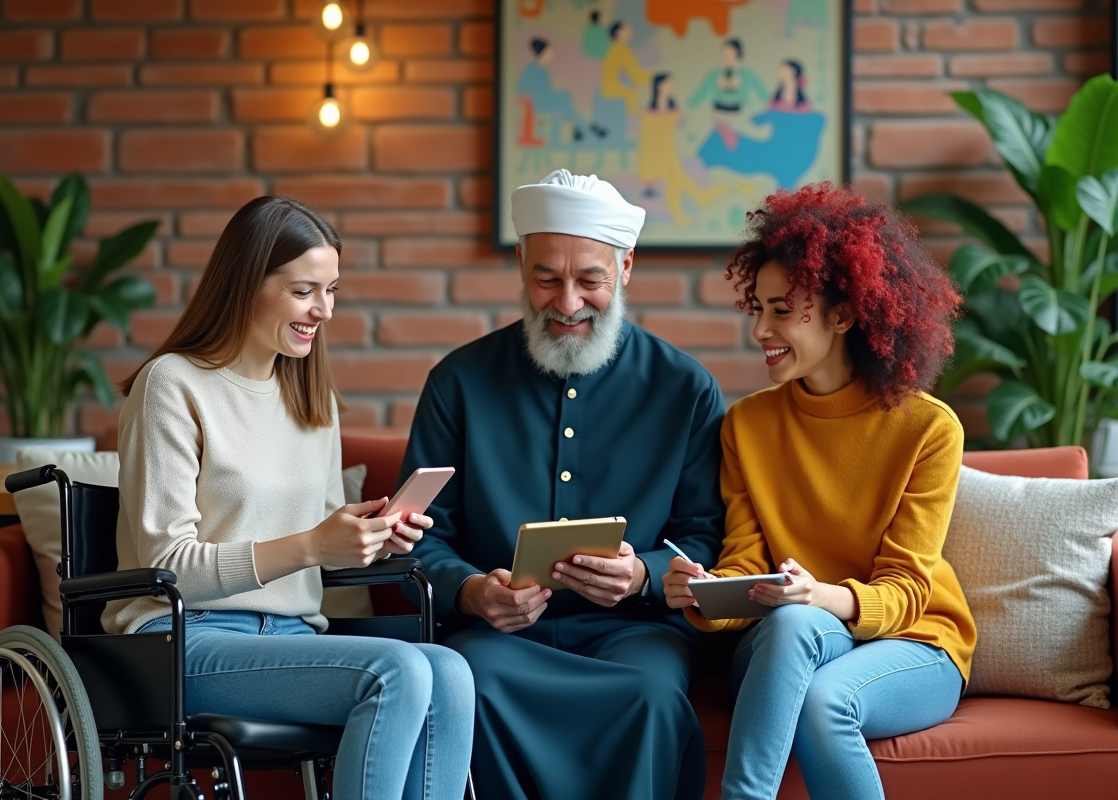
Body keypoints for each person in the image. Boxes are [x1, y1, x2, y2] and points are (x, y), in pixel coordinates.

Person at [106, 196, 475, 800]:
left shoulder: (312, 399)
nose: (324, 311)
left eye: (332, 291)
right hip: (182, 638)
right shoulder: (171, 385)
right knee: (400, 670)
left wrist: (368, 538)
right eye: (306, 291)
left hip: (289, 638)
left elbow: (322, 555)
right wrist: (311, 543)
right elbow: (165, 567)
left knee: (453, 673)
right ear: (249, 282)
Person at [402, 169, 725, 800]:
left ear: (626, 267)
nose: (568, 301)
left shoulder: (686, 389)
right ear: (522, 263)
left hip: (637, 632)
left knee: (653, 696)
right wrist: (471, 592)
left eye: (590, 280)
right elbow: (419, 536)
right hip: (498, 636)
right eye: (547, 278)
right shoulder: (458, 383)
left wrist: (645, 576)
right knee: (474, 682)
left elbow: (707, 537)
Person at [663, 184, 976, 800]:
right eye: (757, 308)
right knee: (791, 623)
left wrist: (819, 596)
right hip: (787, 639)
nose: (760, 329)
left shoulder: (928, 429)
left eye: (782, 310)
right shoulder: (746, 426)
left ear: (843, 315)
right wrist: (703, 591)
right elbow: (748, 564)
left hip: (914, 644)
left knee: (821, 691)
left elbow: (910, 590)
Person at [638, 72, 726, 223]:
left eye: (672, 85)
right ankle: (682, 212)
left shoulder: (675, 110)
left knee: (681, 184)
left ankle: (716, 193)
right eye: (668, 84)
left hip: (670, 153)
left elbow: (684, 126)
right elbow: (648, 141)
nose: (671, 87)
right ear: (659, 86)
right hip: (657, 155)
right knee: (678, 184)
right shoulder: (649, 112)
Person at [688, 39, 768, 115]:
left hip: (740, 115)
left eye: (732, 55)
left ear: (739, 55)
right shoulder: (713, 75)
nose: (728, 59)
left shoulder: (747, 75)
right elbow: (695, 100)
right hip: (717, 115)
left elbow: (765, 97)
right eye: (725, 56)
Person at [600, 20, 649, 115]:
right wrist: (653, 76)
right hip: (615, 90)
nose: (630, 30)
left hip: (611, 88)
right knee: (634, 97)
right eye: (627, 28)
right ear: (618, 33)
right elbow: (637, 77)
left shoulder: (616, 48)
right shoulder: (621, 50)